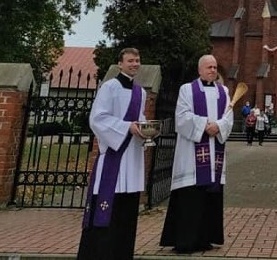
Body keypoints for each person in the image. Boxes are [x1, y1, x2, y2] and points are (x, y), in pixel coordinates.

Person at [160, 55, 234, 254]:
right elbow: (182, 117)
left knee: (210, 197)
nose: (213, 70)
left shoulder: (224, 91)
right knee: (190, 197)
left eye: (215, 67)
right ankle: (184, 241)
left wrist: (218, 126)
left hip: (214, 155)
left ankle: (205, 239)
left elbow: (229, 116)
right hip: (191, 157)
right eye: (209, 67)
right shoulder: (187, 90)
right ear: (200, 70)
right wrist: (204, 126)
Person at [77, 48, 146, 260]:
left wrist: (144, 129)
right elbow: (97, 119)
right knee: (108, 211)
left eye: (137, 60)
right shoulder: (110, 87)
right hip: (114, 158)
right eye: (130, 61)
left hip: (131, 160)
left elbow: (141, 118)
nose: (134, 64)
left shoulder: (140, 92)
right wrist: (127, 127)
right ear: (120, 64)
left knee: (126, 212)